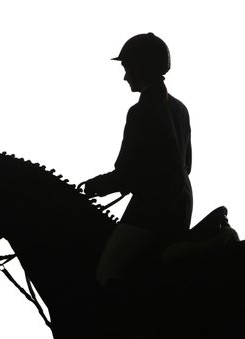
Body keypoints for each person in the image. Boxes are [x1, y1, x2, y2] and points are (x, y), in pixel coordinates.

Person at [80, 33, 193, 289]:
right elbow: (186, 165)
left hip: (152, 211)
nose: (125, 76)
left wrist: (93, 187)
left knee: (106, 271)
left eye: (127, 68)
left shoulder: (140, 111)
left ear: (142, 67)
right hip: (181, 205)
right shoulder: (180, 108)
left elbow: (127, 173)